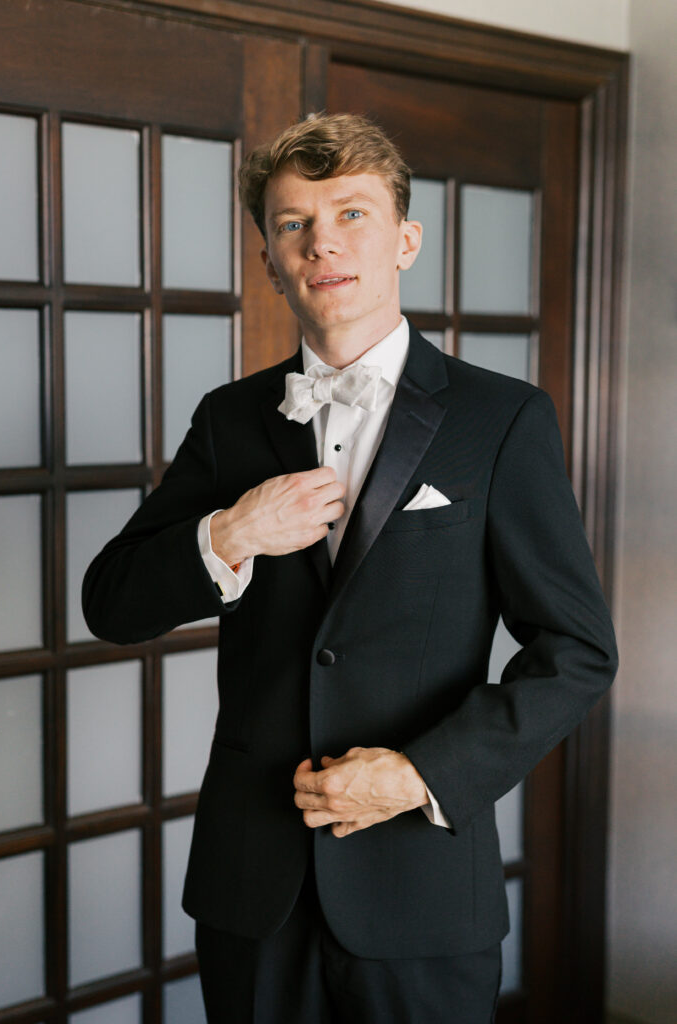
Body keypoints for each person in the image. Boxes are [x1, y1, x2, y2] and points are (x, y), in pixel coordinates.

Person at [82, 112, 617, 1023]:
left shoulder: (502, 419)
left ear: (405, 239)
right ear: (269, 257)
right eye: (293, 222)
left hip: (421, 885)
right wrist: (231, 534)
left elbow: (575, 650)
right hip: (254, 888)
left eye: (352, 214)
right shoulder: (229, 419)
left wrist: (418, 776)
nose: (322, 242)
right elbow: (112, 604)